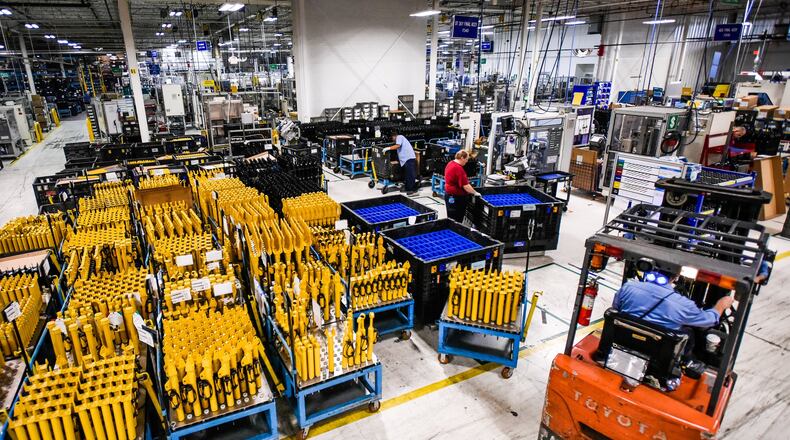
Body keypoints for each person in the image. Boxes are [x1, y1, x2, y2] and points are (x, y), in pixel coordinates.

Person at [612, 271, 733, 333]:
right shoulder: (684, 305)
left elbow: (616, 308)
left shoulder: (629, 287)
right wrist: (721, 305)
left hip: (622, 337)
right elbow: (709, 320)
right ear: (675, 277)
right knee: (689, 333)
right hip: (657, 350)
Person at [443, 150, 479, 223]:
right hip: (456, 198)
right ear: (462, 158)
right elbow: (466, 186)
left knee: (451, 218)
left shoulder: (450, 163)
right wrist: (475, 193)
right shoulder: (458, 168)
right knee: (457, 219)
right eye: (466, 159)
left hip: (449, 195)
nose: (466, 162)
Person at [387, 129, 417, 195]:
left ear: (394, 136)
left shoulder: (399, 137)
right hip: (406, 159)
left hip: (409, 158)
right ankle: (407, 188)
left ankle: (411, 190)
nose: (393, 140)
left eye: (392, 138)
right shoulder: (401, 138)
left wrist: (388, 148)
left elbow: (398, 146)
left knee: (410, 175)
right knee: (407, 175)